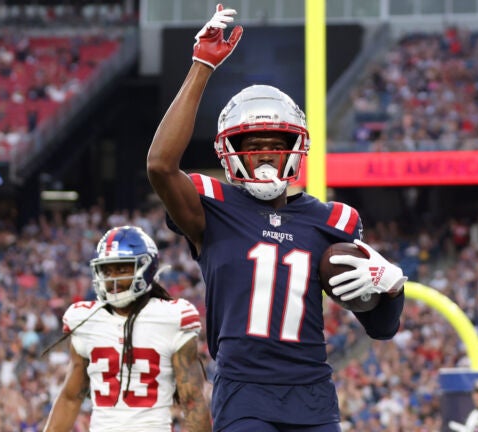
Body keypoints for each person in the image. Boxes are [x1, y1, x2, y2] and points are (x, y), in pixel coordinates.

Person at [146, 4, 407, 431]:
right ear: (228, 151)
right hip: (244, 391)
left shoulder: (333, 220)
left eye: (276, 142)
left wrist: (392, 286)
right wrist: (201, 66)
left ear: (296, 148)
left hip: (313, 396)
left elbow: (381, 328)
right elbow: (159, 165)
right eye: (252, 142)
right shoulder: (211, 207)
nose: (265, 152)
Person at [43, 226, 211, 432]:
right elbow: (70, 397)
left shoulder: (170, 318)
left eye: (122, 269)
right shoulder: (85, 319)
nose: (112, 278)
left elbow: (192, 401)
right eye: (107, 270)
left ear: (146, 268)